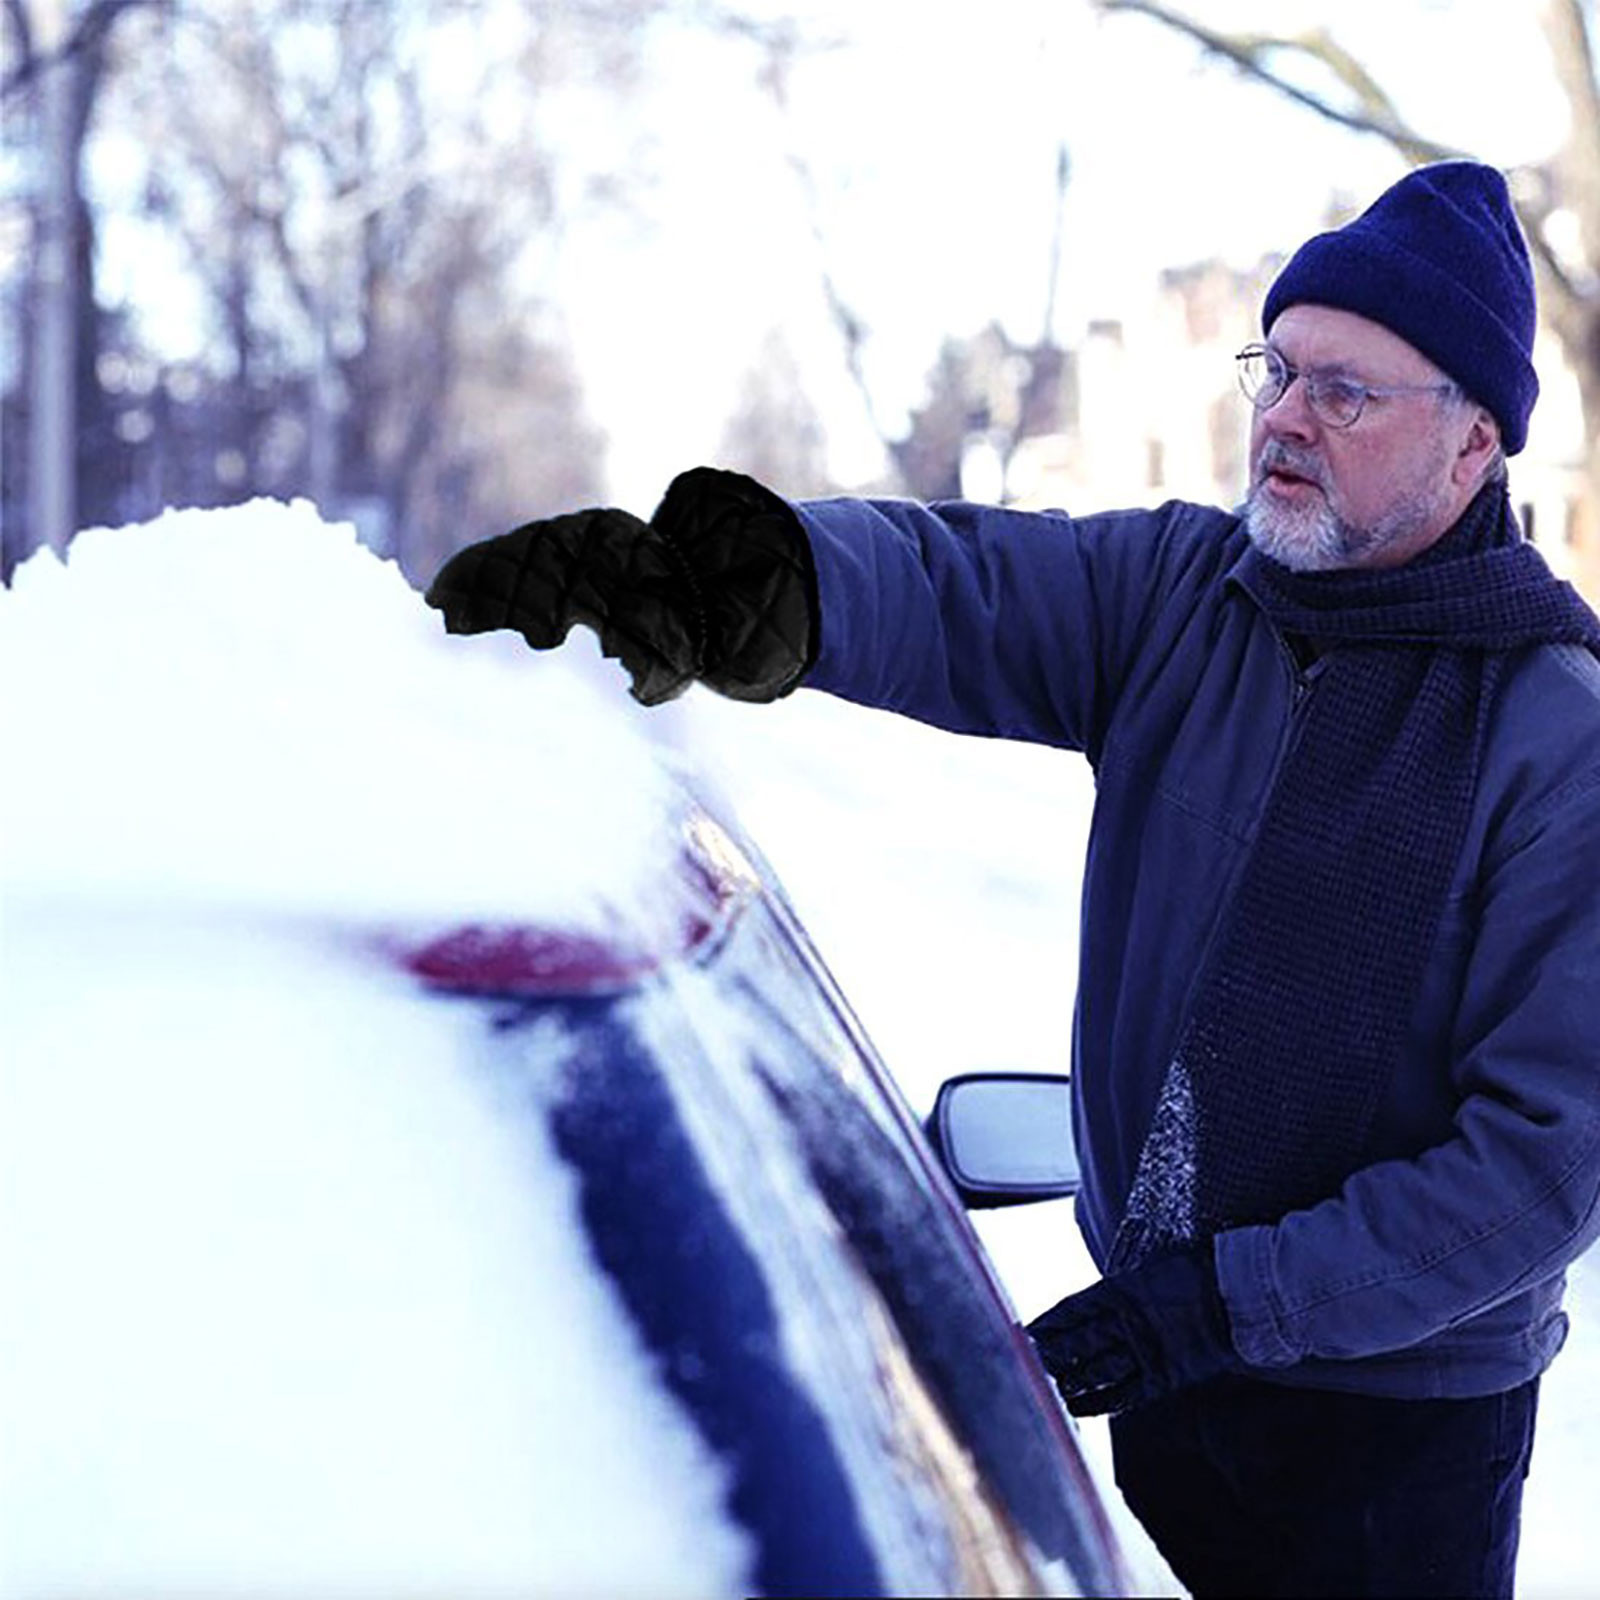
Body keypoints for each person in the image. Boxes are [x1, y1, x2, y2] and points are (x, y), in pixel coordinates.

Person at [425, 161, 1600, 1598]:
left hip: (1389, 1445)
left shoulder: (1556, 733)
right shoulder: (1188, 597)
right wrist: (718, 586)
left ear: (1476, 443)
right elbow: (956, 586)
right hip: (1164, 1378)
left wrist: (1231, 1306)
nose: (1285, 419)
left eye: (1344, 394)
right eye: (1278, 370)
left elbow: (1545, 1163)